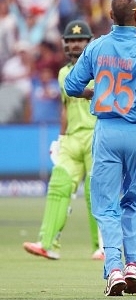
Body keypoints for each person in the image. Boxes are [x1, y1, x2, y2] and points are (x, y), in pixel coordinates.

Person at [64, 0, 136, 296]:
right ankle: (133, 267)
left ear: (111, 17)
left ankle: (113, 267)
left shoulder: (97, 47)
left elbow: (72, 85)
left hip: (108, 130)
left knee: (106, 203)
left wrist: (97, 91)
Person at [23, 20, 104, 261]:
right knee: (58, 185)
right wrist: (60, 138)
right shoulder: (63, 73)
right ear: (64, 45)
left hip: (96, 134)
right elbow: (65, 108)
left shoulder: (100, 69)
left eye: (80, 40)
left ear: (89, 43)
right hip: (71, 139)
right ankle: (48, 244)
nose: (75, 44)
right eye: (71, 41)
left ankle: (102, 247)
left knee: (95, 192)